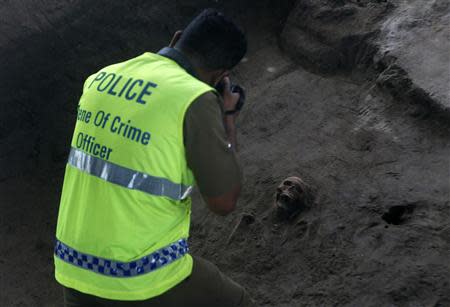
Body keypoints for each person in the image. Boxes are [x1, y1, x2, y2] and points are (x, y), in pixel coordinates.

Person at [54, 8, 253, 307]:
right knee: (236, 301)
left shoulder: (101, 77)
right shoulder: (194, 97)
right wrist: (227, 117)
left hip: (72, 268)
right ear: (221, 76)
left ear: (176, 38)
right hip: (135, 276)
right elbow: (224, 202)